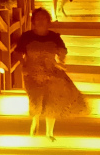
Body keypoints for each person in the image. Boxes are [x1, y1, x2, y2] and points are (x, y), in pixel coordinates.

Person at [16, 8, 88, 139]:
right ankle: (35, 119)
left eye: (44, 18)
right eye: (38, 18)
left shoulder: (54, 37)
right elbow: (18, 52)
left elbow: (62, 51)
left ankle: (49, 132)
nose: (41, 21)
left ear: (48, 21)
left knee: (52, 101)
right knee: (35, 99)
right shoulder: (26, 37)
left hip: (50, 71)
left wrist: (61, 60)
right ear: (33, 21)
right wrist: (23, 64)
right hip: (32, 72)